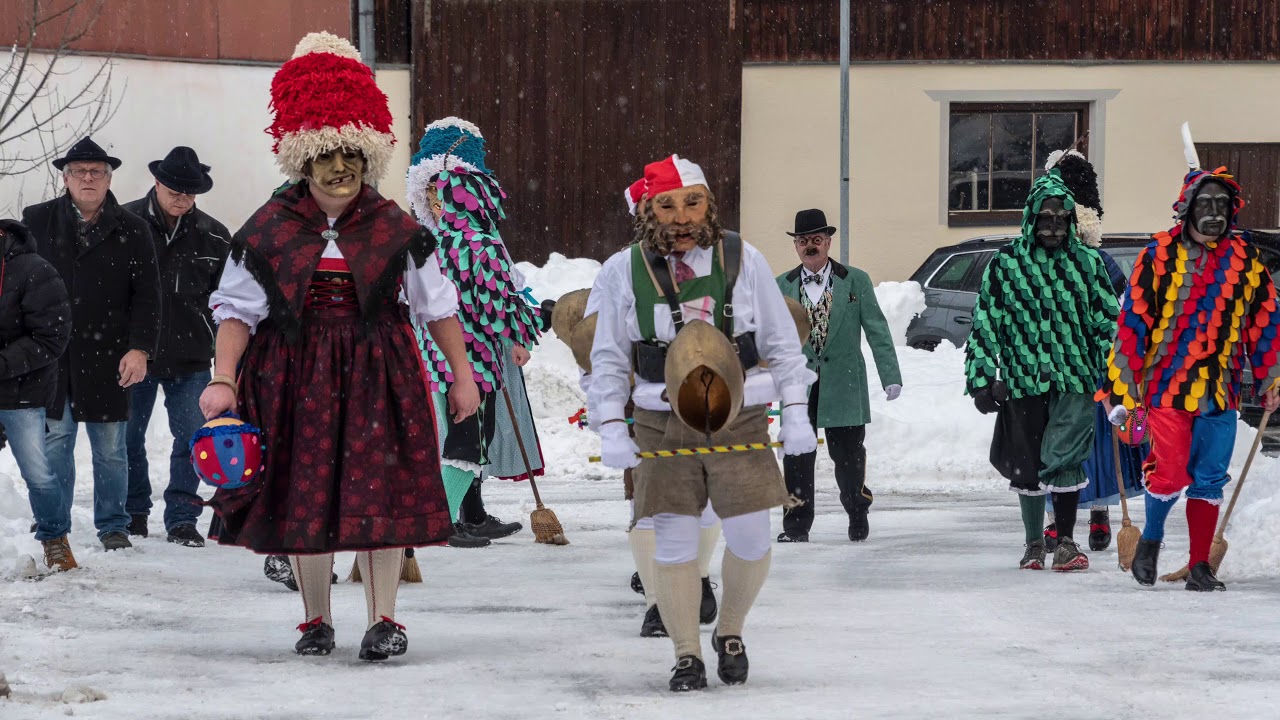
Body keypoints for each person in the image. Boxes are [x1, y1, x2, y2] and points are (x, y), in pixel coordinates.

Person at [198, 32, 480, 660]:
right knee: (305, 493)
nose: (341, 166)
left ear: (369, 154)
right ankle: (315, 621)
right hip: (292, 375)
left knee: (380, 494)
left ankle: (384, 620)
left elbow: (437, 308)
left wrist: (462, 376)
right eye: (326, 153)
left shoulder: (396, 227)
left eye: (353, 152)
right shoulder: (269, 228)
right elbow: (237, 312)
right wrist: (223, 377)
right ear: (302, 158)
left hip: (381, 374)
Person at [588, 154, 816, 691]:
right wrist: (611, 424)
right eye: (666, 206)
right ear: (648, 211)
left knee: (752, 538)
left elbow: (782, 343)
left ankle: (729, 630)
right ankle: (686, 652)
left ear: (709, 203)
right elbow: (610, 356)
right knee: (673, 542)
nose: (682, 217)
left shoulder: (744, 258)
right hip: (661, 418)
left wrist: (797, 412)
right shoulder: (623, 270)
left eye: (693, 202)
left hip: (741, 415)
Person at [1101, 134, 1280, 591]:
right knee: (1170, 470)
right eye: (1206, 204)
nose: (1215, 213)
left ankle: (1200, 565)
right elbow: (1132, 325)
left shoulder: (1247, 262)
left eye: (1223, 205)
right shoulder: (1158, 256)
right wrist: (1122, 388)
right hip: (1166, 387)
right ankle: (1151, 539)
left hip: (1220, 388)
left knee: (1210, 477)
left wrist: (1271, 378)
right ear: (1187, 209)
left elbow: (1264, 324)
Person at [965, 171, 1119, 572]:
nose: (1054, 227)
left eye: (1062, 219)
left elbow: (1107, 321)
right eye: (1046, 218)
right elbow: (986, 322)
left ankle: (1065, 542)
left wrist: (1117, 372)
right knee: (1028, 463)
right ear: (1031, 217)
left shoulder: (1087, 263)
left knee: (1066, 457)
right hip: (1023, 379)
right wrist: (982, 378)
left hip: (1075, 378)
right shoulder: (1006, 264)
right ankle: (1034, 543)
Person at [404, 117, 542, 547]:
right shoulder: (476, 245)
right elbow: (496, 302)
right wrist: (524, 328)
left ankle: (466, 516)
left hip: (444, 357)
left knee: (468, 439)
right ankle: (439, 522)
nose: (437, 204)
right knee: (466, 442)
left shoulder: (437, 244)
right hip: (471, 361)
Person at [22, 137, 161, 552]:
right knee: (56, 441)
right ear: (65, 178)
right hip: (53, 354)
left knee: (112, 447)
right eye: (79, 171)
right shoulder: (38, 220)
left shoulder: (133, 228)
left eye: (97, 172)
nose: (88, 178)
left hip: (110, 354)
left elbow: (148, 296)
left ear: (109, 179)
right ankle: (53, 523)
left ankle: (114, 525)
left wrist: (140, 349)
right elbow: (19, 284)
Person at [1038, 150, 1147, 553]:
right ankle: (1054, 517)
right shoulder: (1037, 262)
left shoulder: (1099, 262)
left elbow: (1117, 309)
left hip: (1095, 364)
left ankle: (1099, 512)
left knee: (1099, 443)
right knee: (1055, 442)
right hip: (1052, 365)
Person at [122, 147, 231, 547]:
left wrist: (223, 356)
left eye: (190, 192)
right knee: (126, 439)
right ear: (157, 183)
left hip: (192, 357)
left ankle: (183, 519)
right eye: (175, 190)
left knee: (191, 439)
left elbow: (226, 302)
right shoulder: (125, 223)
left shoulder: (214, 235)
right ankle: (133, 513)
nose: (182, 198)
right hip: (135, 354)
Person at [775, 209, 902, 542]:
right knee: (796, 458)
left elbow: (877, 329)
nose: (810, 246)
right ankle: (796, 526)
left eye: (817, 239)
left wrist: (890, 374)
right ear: (796, 246)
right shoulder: (781, 285)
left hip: (845, 382)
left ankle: (857, 511)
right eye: (803, 241)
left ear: (828, 242)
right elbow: (770, 338)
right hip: (798, 385)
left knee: (848, 457)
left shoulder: (855, 280)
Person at [0, 220, 73, 570]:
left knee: (38, 474)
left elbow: (51, 337)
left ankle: (55, 539)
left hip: (22, 393)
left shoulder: (35, 270)